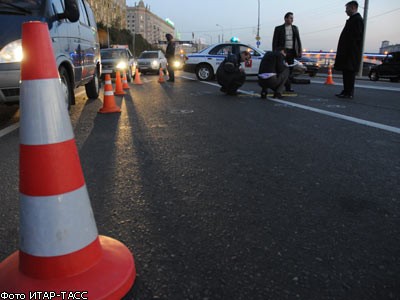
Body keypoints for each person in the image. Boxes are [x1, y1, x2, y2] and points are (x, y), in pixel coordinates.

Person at [334, 1, 364, 99]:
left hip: (351, 52)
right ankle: (346, 90)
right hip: (347, 52)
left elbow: (357, 37)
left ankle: (349, 92)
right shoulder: (352, 19)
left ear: (353, 8)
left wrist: (349, 48)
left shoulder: (357, 20)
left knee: (350, 72)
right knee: (346, 72)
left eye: (347, 8)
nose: (345, 11)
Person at [272, 12, 302, 93]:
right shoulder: (278, 28)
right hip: (282, 52)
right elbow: (275, 42)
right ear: (285, 18)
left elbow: (298, 40)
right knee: (281, 69)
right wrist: (275, 52)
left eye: (292, 18)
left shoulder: (295, 28)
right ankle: (278, 86)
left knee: (290, 70)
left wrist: (299, 51)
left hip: (291, 52)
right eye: (290, 18)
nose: (292, 20)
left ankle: (288, 87)